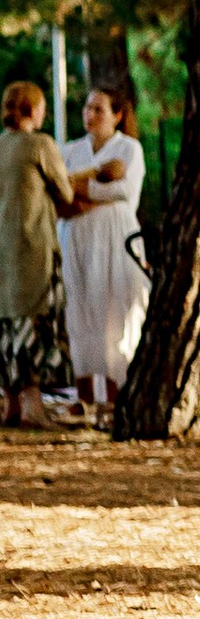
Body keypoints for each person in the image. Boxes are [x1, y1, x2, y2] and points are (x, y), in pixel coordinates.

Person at [58, 84, 148, 414]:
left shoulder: (129, 149)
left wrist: (84, 188)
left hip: (116, 237)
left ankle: (115, 396)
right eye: (88, 108)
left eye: (99, 109)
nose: (90, 115)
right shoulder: (70, 149)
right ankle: (83, 396)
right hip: (77, 237)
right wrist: (94, 186)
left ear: (118, 115)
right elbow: (61, 191)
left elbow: (125, 191)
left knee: (115, 310)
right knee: (79, 308)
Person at [0, 82, 73, 427]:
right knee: (34, 321)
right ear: (34, 110)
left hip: (2, 251)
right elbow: (66, 193)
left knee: (6, 323)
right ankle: (33, 407)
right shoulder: (40, 145)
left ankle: (10, 404)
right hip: (32, 247)